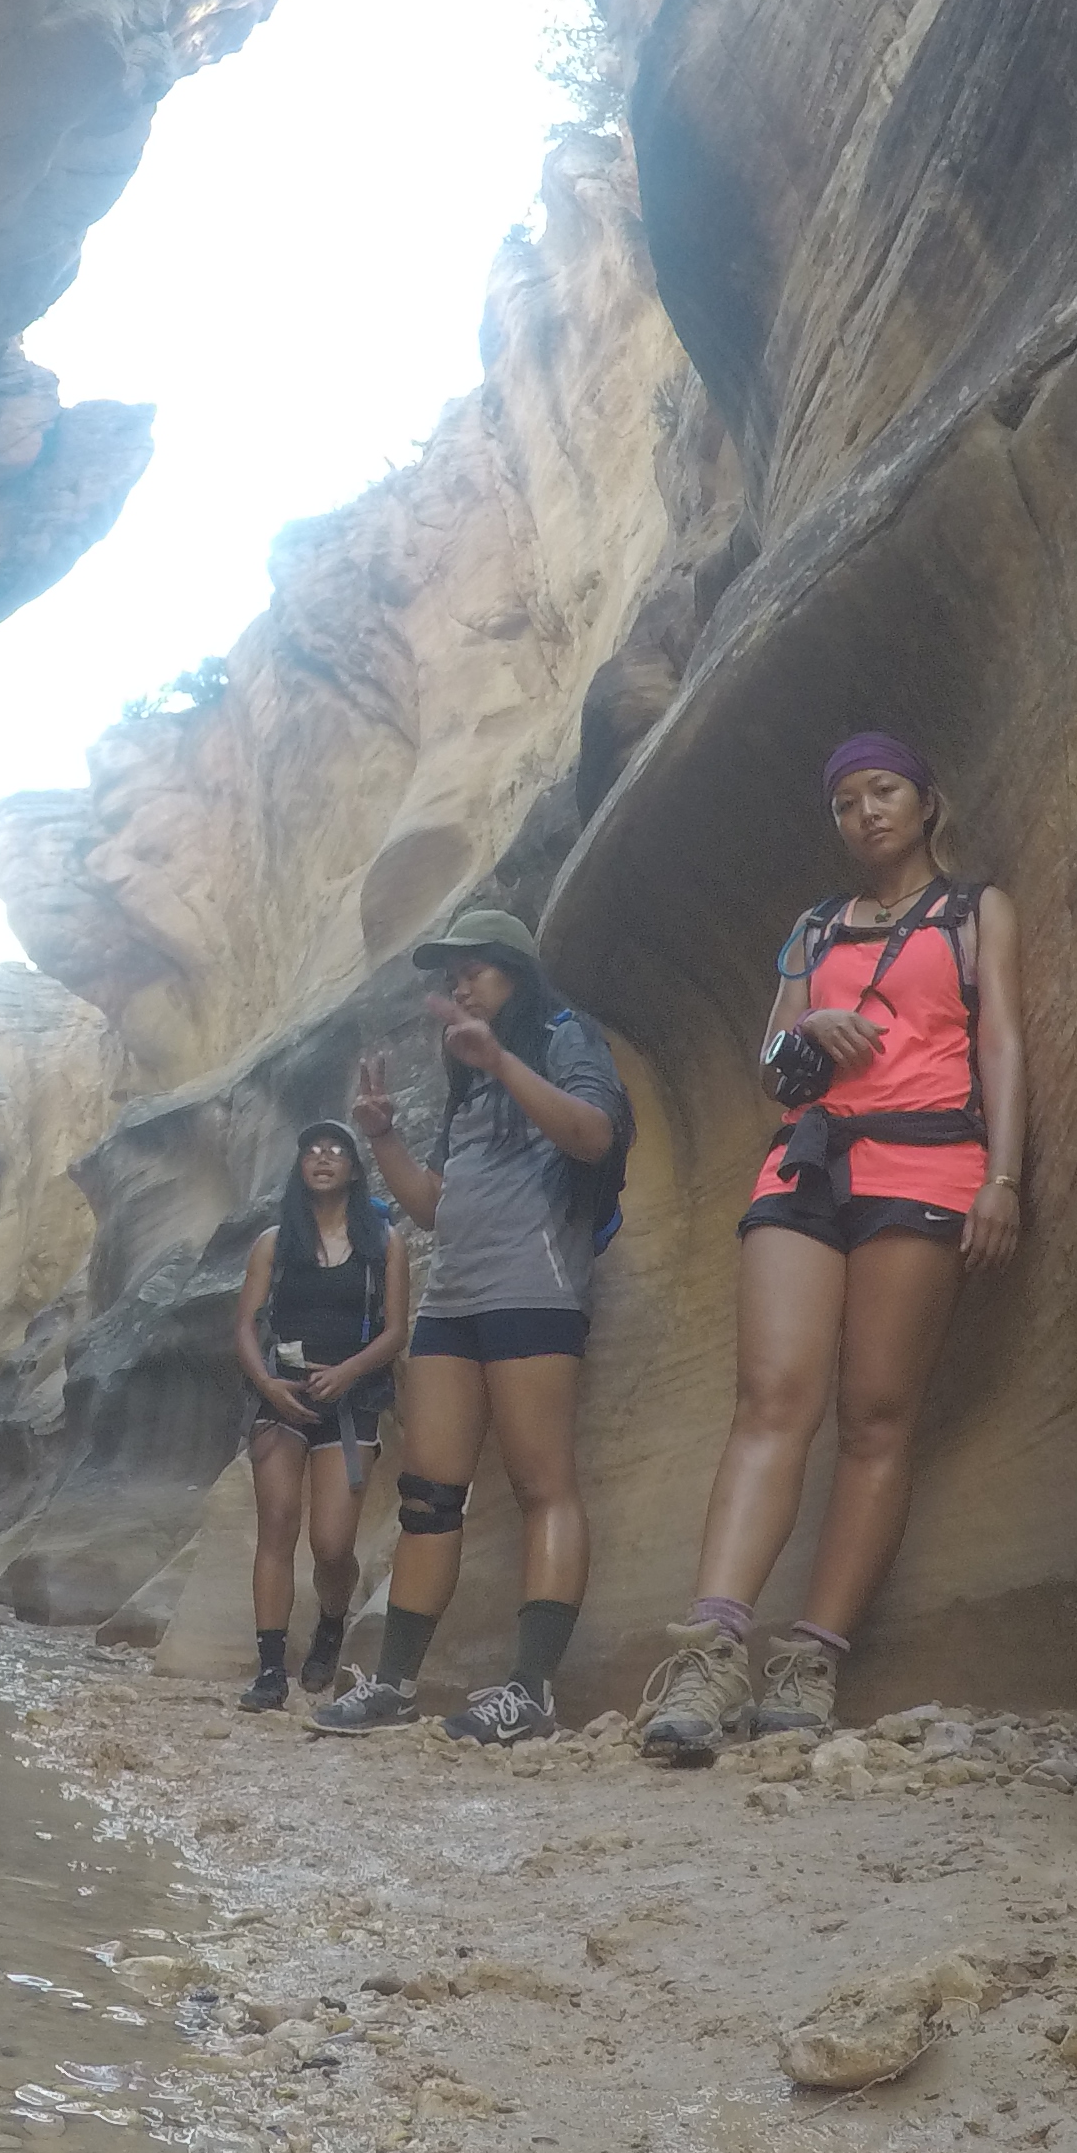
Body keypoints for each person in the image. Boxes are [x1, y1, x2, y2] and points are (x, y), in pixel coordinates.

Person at [637, 732, 1024, 1760]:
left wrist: (1003, 1176)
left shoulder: (974, 911)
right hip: (808, 1161)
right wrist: (810, 1034)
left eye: (884, 790)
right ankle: (709, 1650)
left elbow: (1003, 1044)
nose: (866, 812)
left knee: (877, 1417)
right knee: (771, 1400)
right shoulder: (813, 928)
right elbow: (770, 1063)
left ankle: (810, 1659)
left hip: (931, 1162)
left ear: (926, 801)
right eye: (846, 800)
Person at [308, 909, 628, 1746]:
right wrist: (383, 1138)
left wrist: (502, 1060)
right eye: (451, 972)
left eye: (475, 967)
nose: (459, 982)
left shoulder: (564, 1035)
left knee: (541, 1486)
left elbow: (592, 1136)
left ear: (517, 971)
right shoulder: (471, 1080)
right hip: (455, 1299)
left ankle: (532, 1692)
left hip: (536, 1288)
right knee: (429, 1496)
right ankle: (394, 1685)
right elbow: (432, 1207)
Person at [227, 1120, 413, 1710]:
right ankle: (270, 1669)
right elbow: (245, 1326)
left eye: (335, 1150)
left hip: (350, 1404)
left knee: (332, 1545)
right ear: (300, 1169)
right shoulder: (274, 1244)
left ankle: (331, 1622)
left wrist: (348, 1372)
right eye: (311, 1150)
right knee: (277, 1527)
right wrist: (267, 1386)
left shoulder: (384, 1244)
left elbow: (394, 1331)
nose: (323, 1157)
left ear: (354, 1170)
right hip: (281, 1399)